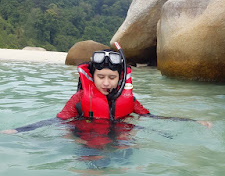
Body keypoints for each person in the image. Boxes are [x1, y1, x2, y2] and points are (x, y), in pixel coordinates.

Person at [1, 43, 212, 134]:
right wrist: (19, 130)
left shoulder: (130, 100)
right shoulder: (80, 98)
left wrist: (192, 122)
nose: (106, 83)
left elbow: (152, 117)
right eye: (100, 77)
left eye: (112, 77)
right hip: (88, 137)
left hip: (120, 135)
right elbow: (56, 121)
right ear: (92, 76)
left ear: (120, 78)